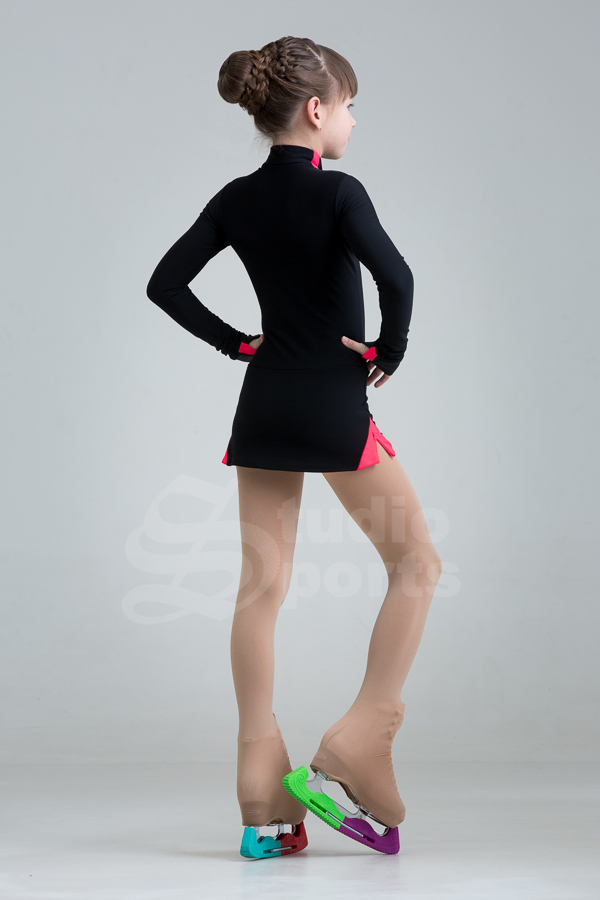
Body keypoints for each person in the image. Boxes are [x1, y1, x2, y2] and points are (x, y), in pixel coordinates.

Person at [146, 35, 442, 858]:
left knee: (260, 587)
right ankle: (360, 737)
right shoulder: (340, 191)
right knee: (416, 562)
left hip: (266, 404)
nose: (352, 121)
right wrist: (387, 352)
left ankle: (258, 783)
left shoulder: (236, 198)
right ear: (317, 111)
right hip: (334, 405)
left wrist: (240, 344)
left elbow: (165, 284)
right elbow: (398, 278)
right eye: (348, 106)